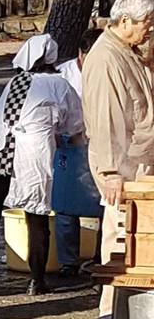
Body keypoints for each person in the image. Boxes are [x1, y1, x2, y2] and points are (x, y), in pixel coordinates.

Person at [0, 35, 84, 296]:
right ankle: (37, 279)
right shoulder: (59, 84)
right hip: (33, 151)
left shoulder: (14, 81)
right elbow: (75, 125)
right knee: (37, 215)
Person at [82, 0, 154, 316]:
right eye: (147, 22)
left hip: (139, 163)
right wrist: (110, 172)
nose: (150, 28)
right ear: (125, 20)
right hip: (122, 171)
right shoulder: (106, 57)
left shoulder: (129, 52)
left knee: (141, 246)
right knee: (122, 250)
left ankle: (131, 314)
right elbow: (104, 118)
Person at [53, 27, 103, 276]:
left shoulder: (108, 69)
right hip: (68, 146)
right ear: (81, 54)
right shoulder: (62, 75)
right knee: (66, 207)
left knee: (106, 203)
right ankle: (68, 262)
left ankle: (100, 256)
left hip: (101, 142)